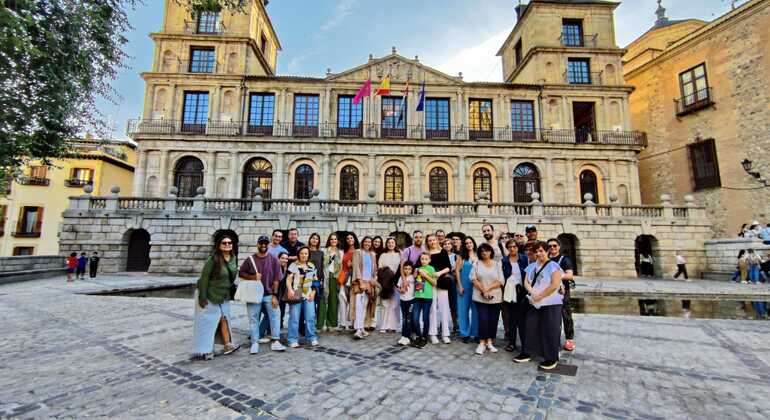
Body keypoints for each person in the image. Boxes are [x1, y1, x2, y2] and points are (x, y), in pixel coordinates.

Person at [515, 241, 563, 370]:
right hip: (534, 301)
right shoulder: (531, 266)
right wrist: (533, 294)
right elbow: (526, 282)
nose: (538, 253)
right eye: (536, 251)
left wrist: (540, 295)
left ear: (547, 251)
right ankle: (528, 352)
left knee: (550, 330)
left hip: (550, 302)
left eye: (541, 251)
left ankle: (551, 358)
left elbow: (554, 285)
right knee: (529, 327)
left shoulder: (553, 266)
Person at [193, 235, 240, 360]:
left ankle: (227, 345)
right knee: (208, 322)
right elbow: (204, 278)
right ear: (219, 245)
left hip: (224, 295)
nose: (227, 244)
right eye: (224, 243)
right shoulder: (213, 259)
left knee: (224, 319)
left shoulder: (233, 258)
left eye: (229, 242)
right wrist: (202, 297)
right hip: (209, 293)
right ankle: (205, 350)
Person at [238, 235, 286, 354]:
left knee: (275, 315)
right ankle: (255, 342)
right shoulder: (250, 259)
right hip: (253, 294)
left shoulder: (274, 259)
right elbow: (241, 273)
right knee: (253, 318)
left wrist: (275, 295)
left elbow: (276, 279)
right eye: (261, 243)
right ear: (258, 244)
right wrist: (252, 277)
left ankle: (275, 341)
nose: (263, 245)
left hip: (269, 294)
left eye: (265, 243)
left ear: (268, 245)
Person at [471, 243, 505, 355]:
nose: (485, 253)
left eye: (487, 250)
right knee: (483, 319)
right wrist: (483, 291)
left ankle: (490, 342)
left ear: (491, 252)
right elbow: (473, 279)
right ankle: (481, 343)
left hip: (495, 297)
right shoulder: (477, 263)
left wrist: (487, 289)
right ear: (480, 253)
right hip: (480, 297)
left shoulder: (497, 264)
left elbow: (500, 280)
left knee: (493, 320)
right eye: (482, 251)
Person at [286, 247, 319, 348]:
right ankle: (292, 339)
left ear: (308, 255)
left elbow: (315, 281)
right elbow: (288, 280)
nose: (304, 255)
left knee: (310, 317)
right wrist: (290, 290)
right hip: (297, 292)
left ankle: (311, 337)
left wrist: (313, 292)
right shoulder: (293, 265)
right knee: (294, 318)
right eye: (302, 253)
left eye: (306, 253)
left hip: (308, 292)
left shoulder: (311, 265)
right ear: (298, 254)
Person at [547, 238, 576, 352]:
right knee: (552, 316)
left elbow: (569, 275)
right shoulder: (546, 259)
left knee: (566, 315)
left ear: (559, 247)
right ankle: (553, 338)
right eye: (550, 246)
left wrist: (556, 276)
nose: (552, 248)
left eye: (554, 246)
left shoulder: (564, 259)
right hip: (549, 292)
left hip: (562, 291)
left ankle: (569, 339)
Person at [351, 236, 379, 339]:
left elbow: (375, 269)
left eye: (369, 242)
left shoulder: (372, 254)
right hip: (360, 283)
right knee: (358, 306)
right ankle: (357, 329)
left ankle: (362, 328)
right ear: (362, 242)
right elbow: (356, 267)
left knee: (365, 307)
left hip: (369, 283)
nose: (367, 243)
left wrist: (374, 279)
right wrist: (360, 281)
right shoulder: (358, 252)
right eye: (366, 242)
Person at [428, 234, 453, 344]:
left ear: (437, 240)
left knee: (444, 308)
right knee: (432, 309)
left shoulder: (443, 252)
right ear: (427, 242)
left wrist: (439, 273)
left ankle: (445, 334)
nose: (432, 242)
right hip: (430, 284)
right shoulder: (426, 253)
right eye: (430, 240)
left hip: (442, 282)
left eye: (433, 240)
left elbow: (448, 267)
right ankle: (433, 333)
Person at [455, 236, 480, 343]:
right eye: (466, 243)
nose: (469, 244)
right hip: (464, 285)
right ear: (464, 245)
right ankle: (465, 333)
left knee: (476, 311)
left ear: (473, 243)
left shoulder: (479, 255)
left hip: (476, 286)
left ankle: (476, 333)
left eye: (470, 242)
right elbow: (456, 271)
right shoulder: (462, 256)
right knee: (463, 310)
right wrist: (460, 286)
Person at [412, 252, 437, 348]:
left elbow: (434, 283)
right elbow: (414, 279)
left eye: (426, 259)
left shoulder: (431, 269)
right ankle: (418, 335)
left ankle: (424, 338)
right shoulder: (418, 268)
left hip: (427, 297)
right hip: (417, 296)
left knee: (425, 318)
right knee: (415, 318)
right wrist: (415, 273)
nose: (424, 261)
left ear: (429, 260)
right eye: (422, 259)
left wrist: (425, 276)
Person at [377, 237, 402, 333]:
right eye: (389, 243)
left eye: (392, 243)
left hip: (396, 281)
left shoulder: (399, 255)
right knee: (384, 303)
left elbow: (401, 267)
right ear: (386, 244)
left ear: (395, 244)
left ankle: (393, 326)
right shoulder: (383, 255)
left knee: (394, 303)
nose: (391, 244)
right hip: (385, 281)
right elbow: (380, 267)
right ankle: (383, 325)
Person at [321, 233, 343, 330]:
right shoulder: (325, 251)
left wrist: (339, 279)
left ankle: (332, 324)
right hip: (325, 276)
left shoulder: (341, 253)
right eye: (331, 239)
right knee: (323, 299)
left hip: (335, 277)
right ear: (329, 241)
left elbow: (342, 267)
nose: (333, 241)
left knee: (333, 300)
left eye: (335, 239)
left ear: (337, 241)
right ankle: (321, 324)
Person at [337, 233, 359, 331]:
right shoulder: (343, 252)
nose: (350, 239)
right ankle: (342, 323)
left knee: (353, 301)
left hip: (354, 278)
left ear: (354, 239)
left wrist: (353, 265)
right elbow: (341, 266)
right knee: (342, 298)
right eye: (348, 238)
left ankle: (352, 323)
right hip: (344, 278)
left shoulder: (358, 251)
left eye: (351, 238)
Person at [307, 233, 326, 330]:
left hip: (318, 280)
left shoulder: (321, 253)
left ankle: (318, 324)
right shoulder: (306, 251)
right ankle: (309, 323)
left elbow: (322, 267)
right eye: (313, 238)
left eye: (316, 239)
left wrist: (322, 279)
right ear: (310, 239)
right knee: (310, 303)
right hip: (307, 280)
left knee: (319, 301)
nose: (314, 240)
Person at [397, 261, 416, 346]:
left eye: (409, 269)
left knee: (408, 319)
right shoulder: (401, 278)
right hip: (403, 300)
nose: (407, 271)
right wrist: (400, 290)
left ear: (412, 269)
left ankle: (407, 337)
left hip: (411, 301)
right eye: (405, 269)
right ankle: (403, 336)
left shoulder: (413, 277)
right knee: (404, 319)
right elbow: (398, 287)